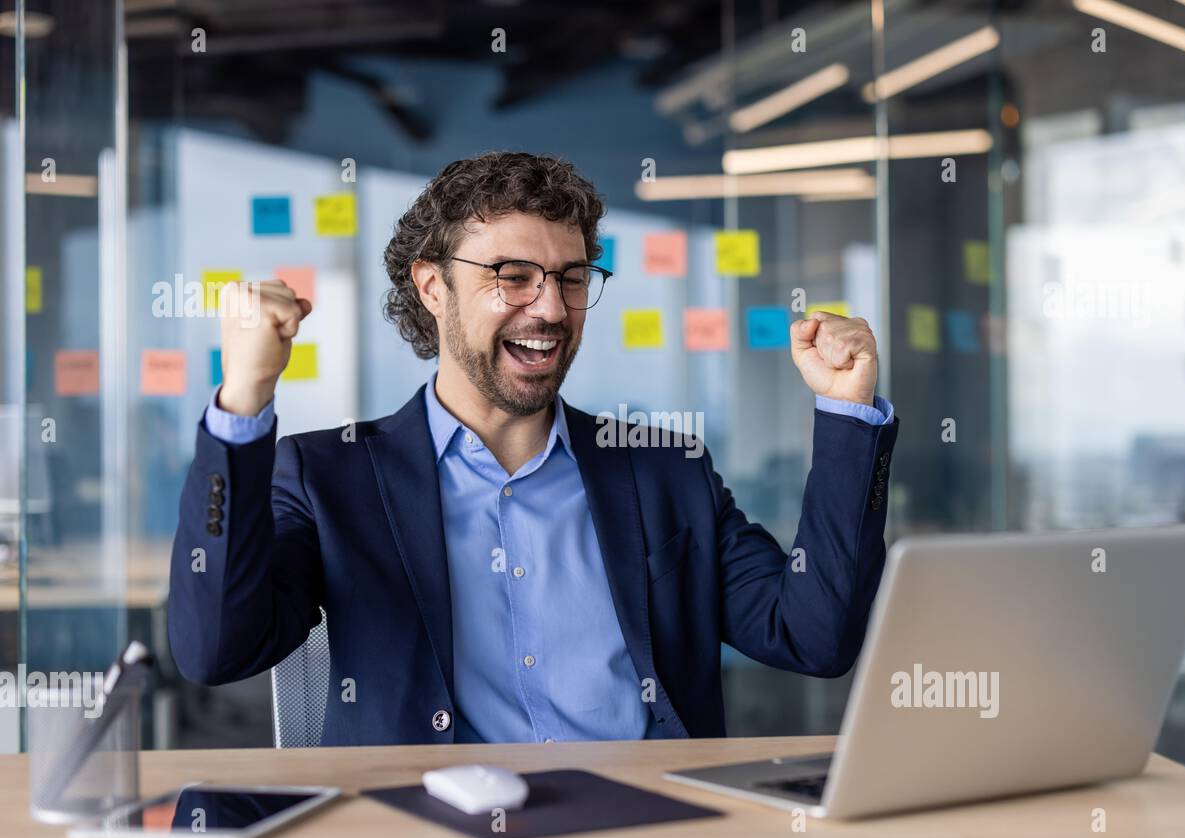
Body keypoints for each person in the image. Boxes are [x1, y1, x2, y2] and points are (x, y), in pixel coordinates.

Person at [168, 150, 899, 745]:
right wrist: (244, 402)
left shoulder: (666, 472)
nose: (550, 308)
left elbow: (815, 635)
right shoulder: (331, 474)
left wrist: (846, 410)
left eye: (572, 278)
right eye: (512, 277)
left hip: (652, 833)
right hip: (432, 837)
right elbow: (217, 649)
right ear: (432, 287)